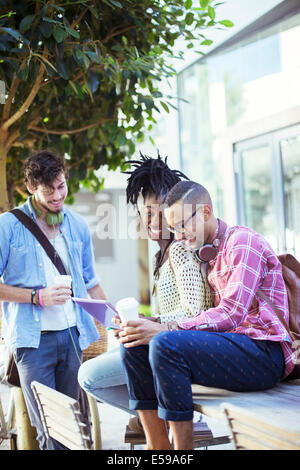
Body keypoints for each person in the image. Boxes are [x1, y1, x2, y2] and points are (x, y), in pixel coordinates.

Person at [119, 180, 295, 450]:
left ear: (205, 212)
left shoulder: (242, 242)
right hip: (234, 348)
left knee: (165, 344)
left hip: (265, 353)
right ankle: (158, 448)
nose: (178, 235)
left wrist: (168, 329)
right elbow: (208, 317)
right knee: (134, 344)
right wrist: (150, 324)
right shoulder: (209, 254)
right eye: (173, 228)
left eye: (181, 225)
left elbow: (232, 314)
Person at [78, 154, 213, 436]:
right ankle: (159, 421)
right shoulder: (160, 255)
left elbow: (195, 312)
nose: (147, 220)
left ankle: (160, 425)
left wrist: (151, 323)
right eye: (143, 212)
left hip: (180, 349)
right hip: (162, 345)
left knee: (88, 376)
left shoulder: (179, 251)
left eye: (156, 211)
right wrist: (143, 321)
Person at [0, 149, 107, 450]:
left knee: (72, 429)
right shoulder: (8, 226)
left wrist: (114, 318)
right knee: (49, 431)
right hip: (32, 344)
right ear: (32, 188)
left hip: (73, 336)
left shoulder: (77, 225)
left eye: (62, 186)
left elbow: (91, 281)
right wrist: (37, 297)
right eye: (49, 191)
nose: (58, 195)